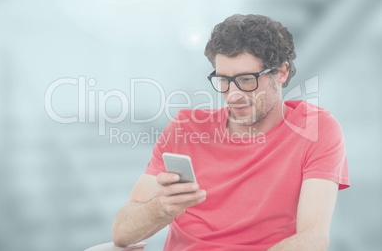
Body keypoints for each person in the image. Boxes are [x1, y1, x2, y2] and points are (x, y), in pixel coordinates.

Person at [112, 14, 350, 250]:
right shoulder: (186, 128)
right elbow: (122, 234)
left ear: (281, 72)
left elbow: (313, 239)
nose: (233, 94)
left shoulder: (315, 129)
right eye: (223, 80)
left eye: (247, 80)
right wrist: (163, 207)